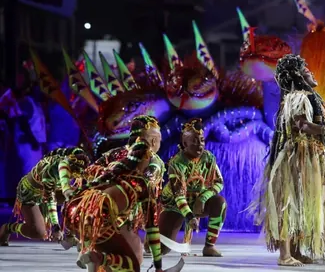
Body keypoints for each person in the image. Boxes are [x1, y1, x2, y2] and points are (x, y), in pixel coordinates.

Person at [249, 53, 325, 266]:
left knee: (304, 202)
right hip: (297, 156)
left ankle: (296, 250)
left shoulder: (311, 97)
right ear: (296, 76)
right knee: (291, 202)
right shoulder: (298, 97)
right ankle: (284, 255)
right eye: (305, 69)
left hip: (311, 155)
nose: (310, 71)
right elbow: (302, 125)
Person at [63, 116, 182, 272]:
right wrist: (158, 266)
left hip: (76, 212)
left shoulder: (113, 156)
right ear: (153, 141)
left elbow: (83, 171)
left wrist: (66, 187)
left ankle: (90, 252)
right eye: (159, 140)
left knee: (115, 256)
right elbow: (151, 224)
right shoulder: (151, 166)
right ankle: (96, 256)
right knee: (133, 261)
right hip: (108, 218)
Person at [159, 118, 226, 257]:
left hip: (196, 201)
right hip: (174, 205)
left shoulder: (208, 158)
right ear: (185, 143)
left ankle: (209, 246)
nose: (200, 145)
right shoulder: (177, 163)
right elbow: (178, 195)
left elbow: (219, 182)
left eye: (202, 140)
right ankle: (152, 239)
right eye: (194, 141)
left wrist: (203, 198)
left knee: (220, 203)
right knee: (162, 250)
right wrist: (189, 216)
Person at [0, 146, 90, 245]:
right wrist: (56, 226)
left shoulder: (76, 167)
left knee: (80, 195)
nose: (74, 175)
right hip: (31, 194)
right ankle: (8, 227)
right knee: (38, 232)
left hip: (52, 192)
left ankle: (70, 234)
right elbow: (50, 198)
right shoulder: (51, 169)